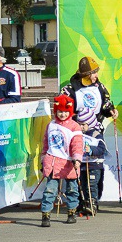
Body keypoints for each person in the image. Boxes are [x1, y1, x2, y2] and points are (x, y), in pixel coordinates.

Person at [39, 95, 84, 227]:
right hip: (52, 162)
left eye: (65, 112)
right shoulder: (51, 125)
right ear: (56, 111)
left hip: (69, 163)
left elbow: (77, 144)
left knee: (72, 190)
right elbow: (46, 142)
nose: (62, 114)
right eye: (60, 111)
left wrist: (77, 158)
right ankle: (46, 215)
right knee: (49, 190)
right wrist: (43, 157)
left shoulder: (74, 126)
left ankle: (71, 212)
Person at [61, 56, 118, 126]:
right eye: (94, 73)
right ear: (87, 74)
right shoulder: (69, 90)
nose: (97, 75)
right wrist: (79, 122)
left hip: (96, 128)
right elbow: (63, 112)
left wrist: (111, 110)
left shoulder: (99, 87)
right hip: (76, 129)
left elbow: (105, 103)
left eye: (97, 72)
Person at [78, 122, 107, 216]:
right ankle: (84, 204)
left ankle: (92, 204)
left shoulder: (96, 134)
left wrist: (91, 150)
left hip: (94, 165)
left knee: (91, 185)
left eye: (83, 124)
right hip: (82, 165)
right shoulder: (77, 134)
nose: (81, 127)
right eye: (79, 124)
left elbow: (102, 149)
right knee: (83, 186)